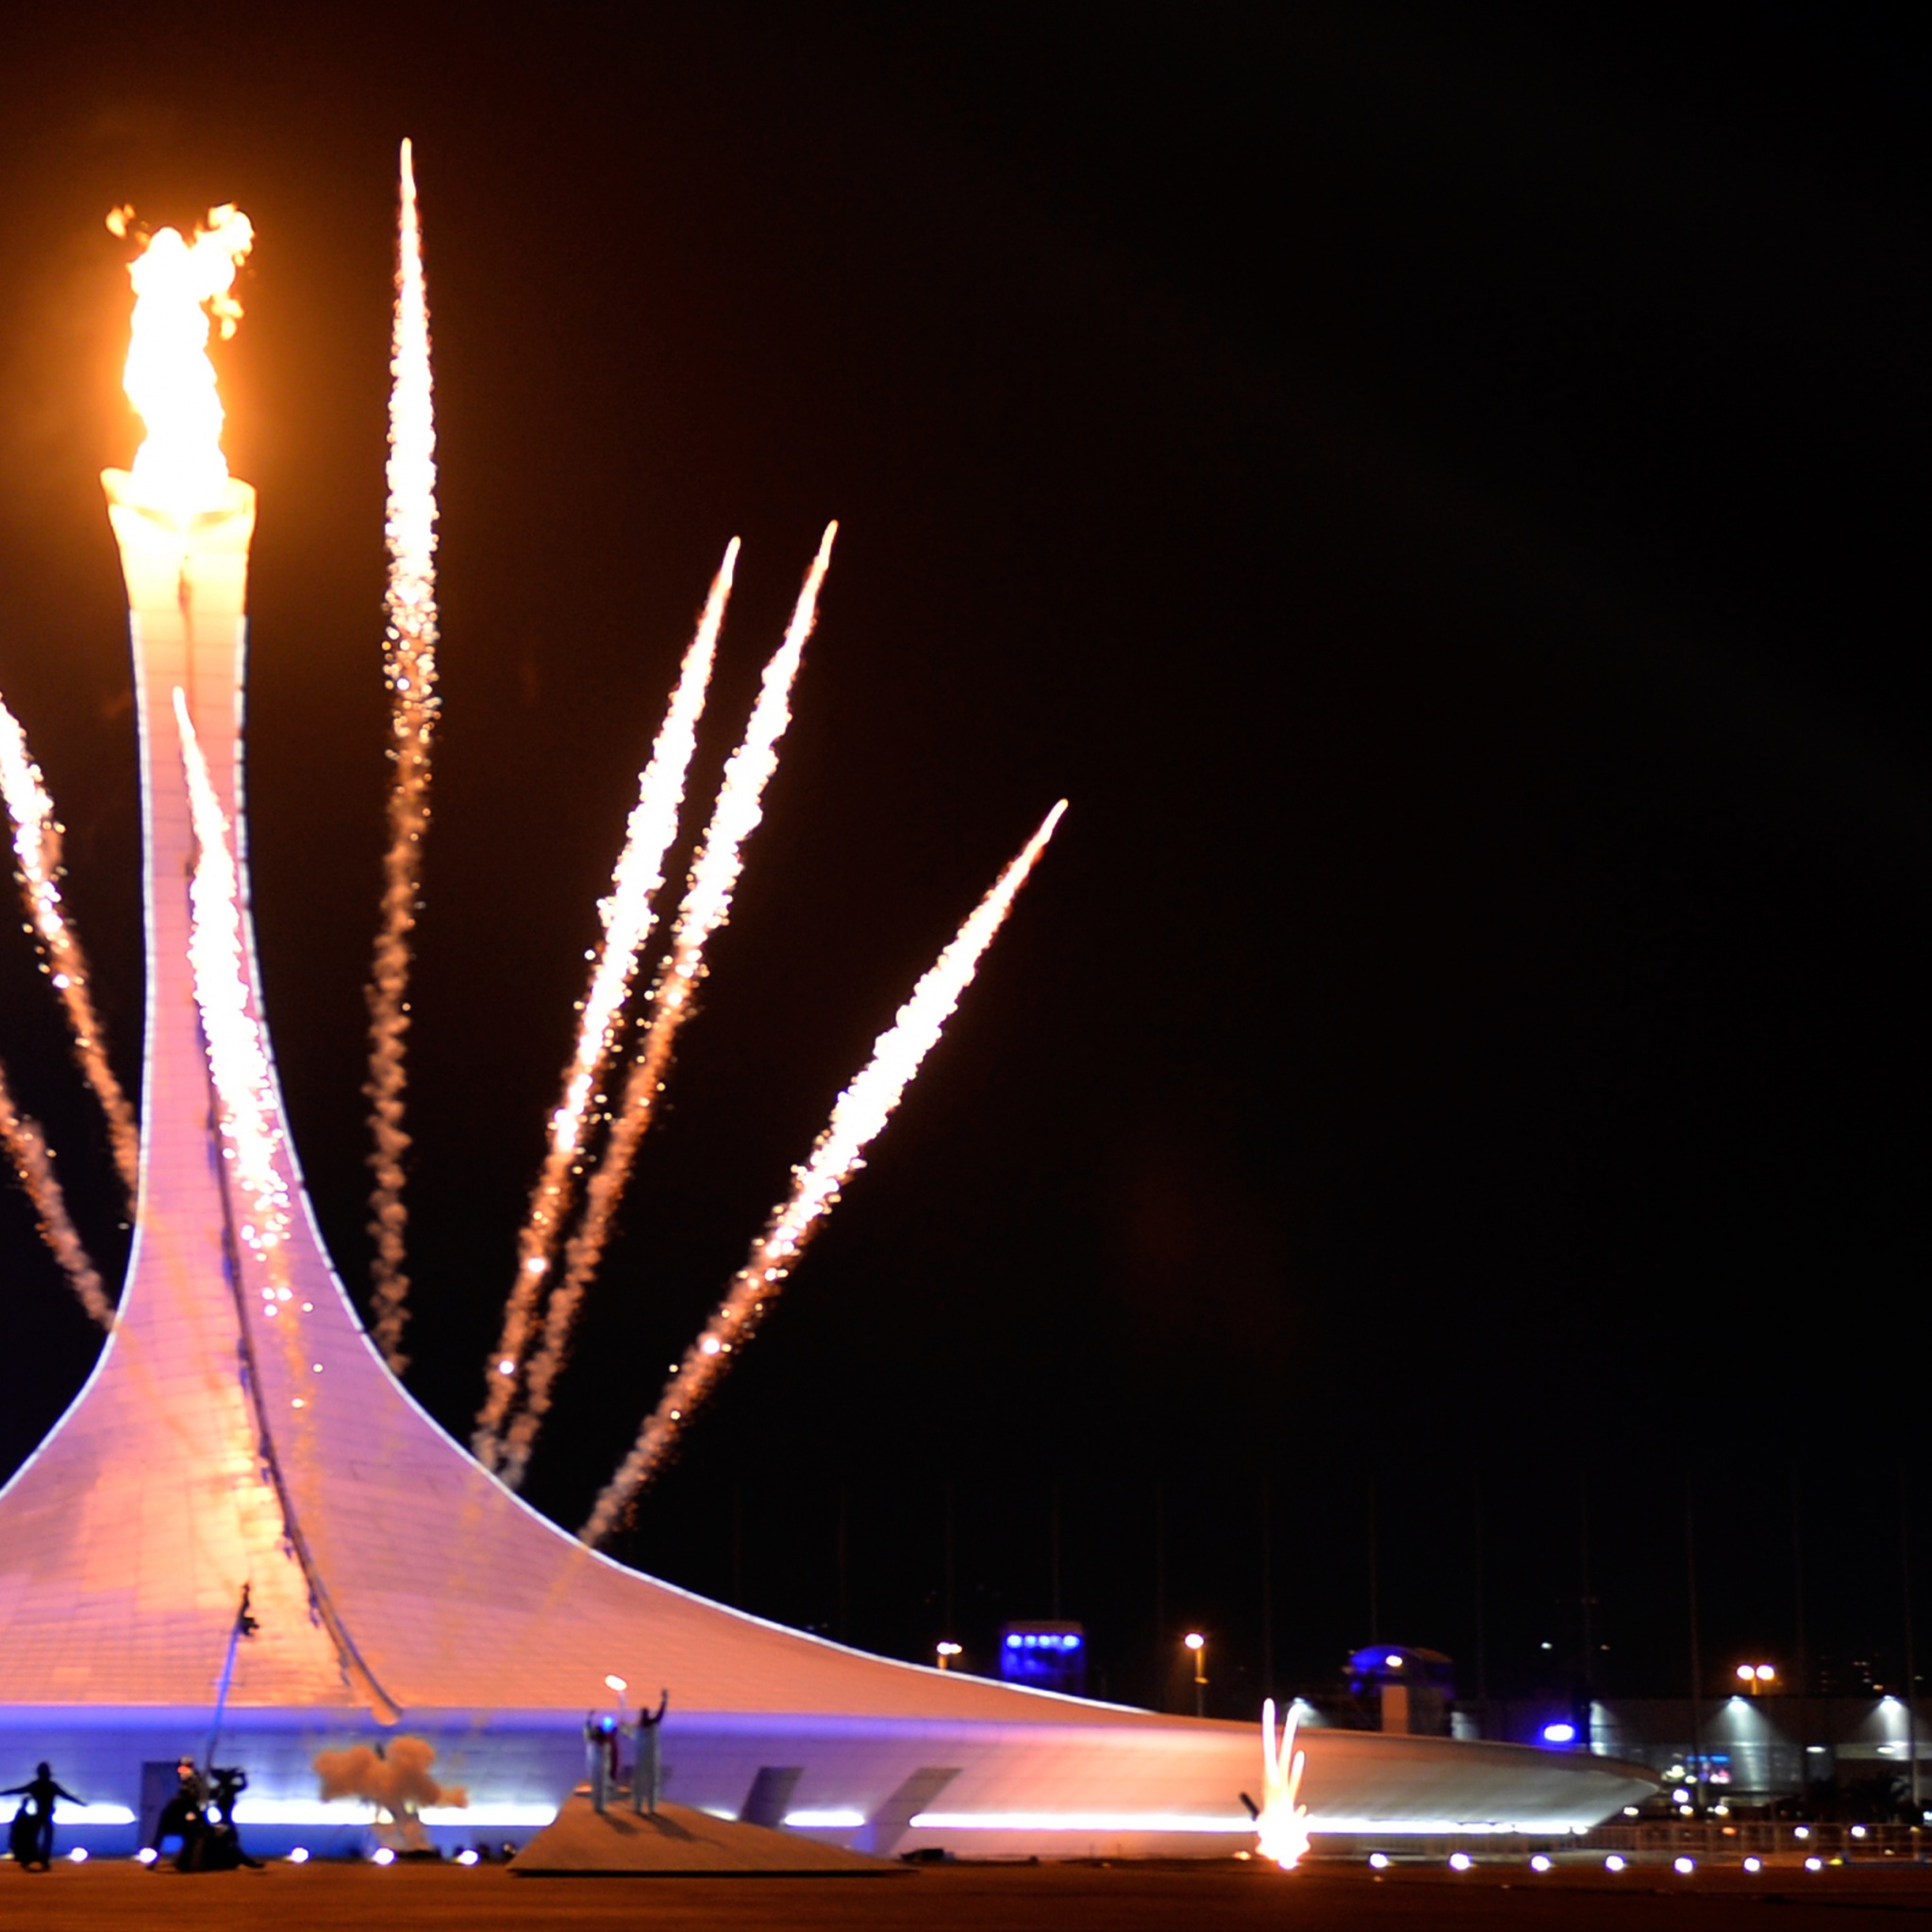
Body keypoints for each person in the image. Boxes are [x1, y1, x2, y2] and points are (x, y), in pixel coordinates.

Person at [2, 1761, 82, 1872]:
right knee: (45, 1839)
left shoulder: (36, 1785)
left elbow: (17, 1790)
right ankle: (42, 1860)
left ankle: (32, 1858)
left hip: (39, 1815)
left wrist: (2, 1793)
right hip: (46, 1816)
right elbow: (66, 1795)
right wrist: (79, 1802)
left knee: (33, 1838)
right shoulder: (51, 1785)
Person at [632, 1690, 669, 1816]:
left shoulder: (638, 1727)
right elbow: (660, 1714)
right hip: (652, 1758)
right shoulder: (652, 1725)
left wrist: (664, 1701)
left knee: (641, 1783)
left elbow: (659, 1715)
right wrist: (664, 1701)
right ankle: (651, 1808)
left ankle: (638, 1806)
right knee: (652, 1783)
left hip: (642, 1758)